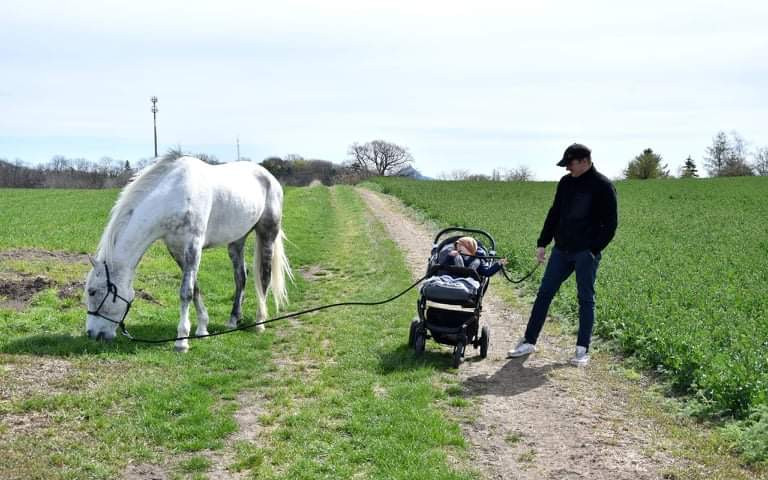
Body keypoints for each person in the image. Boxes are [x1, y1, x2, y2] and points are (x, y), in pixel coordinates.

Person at [507, 143, 618, 366]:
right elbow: (554, 212)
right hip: (561, 250)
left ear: (585, 161)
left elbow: (611, 224)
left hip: (585, 253)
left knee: (585, 299)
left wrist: (593, 250)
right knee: (544, 293)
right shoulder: (566, 183)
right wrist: (543, 242)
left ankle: (582, 350)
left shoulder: (603, 186)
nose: (567, 168)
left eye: (571, 164)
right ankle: (529, 341)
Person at [438, 236, 508, 276]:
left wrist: (499, 264)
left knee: (476, 262)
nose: (458, 248)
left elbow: (487, 272)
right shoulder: (455, 256)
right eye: (457, 246)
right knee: (457, 258)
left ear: (469, 247)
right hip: (453, 277)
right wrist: (449, 256)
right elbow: (443, 267)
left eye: (460, 246)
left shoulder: (478, 259)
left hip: (469, 281)